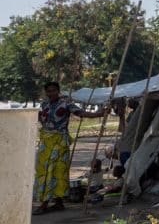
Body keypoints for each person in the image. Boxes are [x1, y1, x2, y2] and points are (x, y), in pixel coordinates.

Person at [33, 82, 106, 214]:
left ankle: (44, 204)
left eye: (54, 90)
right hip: (45, 142)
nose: (51, 93)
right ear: (46, 92)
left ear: (58, 91)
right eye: (49, 91)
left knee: (56, 171)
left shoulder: (66, 104)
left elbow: (81, 113)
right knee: (44, 171)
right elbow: (40, 119)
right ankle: (59, 202)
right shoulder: (43, 104)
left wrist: (99, 114)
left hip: (59, 142)